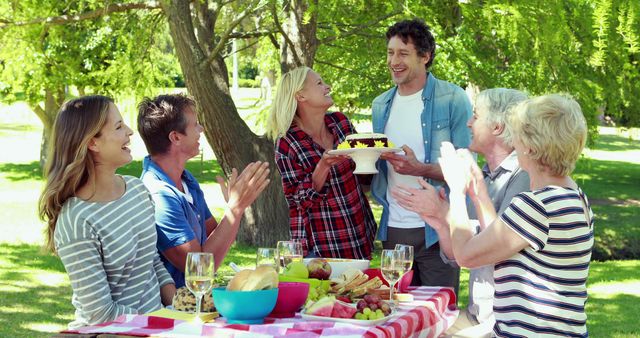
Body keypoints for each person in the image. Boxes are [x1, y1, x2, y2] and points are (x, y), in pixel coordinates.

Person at [438, 94, 594, 337]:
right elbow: (500, 244)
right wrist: (478, 188)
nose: (513, 142)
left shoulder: (535, 205)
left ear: (530, 147)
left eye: (517, 135)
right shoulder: (574, 196)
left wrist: (457, 191)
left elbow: (466, 256)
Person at [392, 88, 530, 337]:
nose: (468, 122)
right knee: (403, 325)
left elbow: (490, 252)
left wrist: (450, 205)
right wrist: (440, 221)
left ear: (497, 126)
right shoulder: (485, 177)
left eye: (476, 116)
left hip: (506, 323)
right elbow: (459, 256)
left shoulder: (524, 179)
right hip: (479, 314)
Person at [38, 96, 175, 329]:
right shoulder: (77, 221)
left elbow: (151, 260)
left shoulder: (136, 190)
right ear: (93, 143)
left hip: (154, 326)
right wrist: (159, 321)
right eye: (119, 126)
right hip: (114, 332)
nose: (130, 132)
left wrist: (182, 308)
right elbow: (100, 314)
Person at [371, 18, 472, 290]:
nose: (394, 61)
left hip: (438, 231)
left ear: (425, 57)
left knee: (439, 317)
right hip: (394, 229)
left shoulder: (452, 99)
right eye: (390, 53)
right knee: (396, 315)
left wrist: (420, 169)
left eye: (403, 53)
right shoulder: (381, 105)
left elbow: (467, 171)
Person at [137, 94, 270, 287]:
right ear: (175, 137)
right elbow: (199, 268)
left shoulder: (186, 180)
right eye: (195, 124)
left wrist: (233, 208)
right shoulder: (160, 195)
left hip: (198, 302)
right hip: (173, 310)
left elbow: (215, 238)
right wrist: (235, 208)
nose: (201, 129)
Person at [267, 66, 377, 259]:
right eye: (319, 83)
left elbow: (361, 174)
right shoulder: (287, 143)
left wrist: (373, 156)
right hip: (319, 246)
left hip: (358, 235)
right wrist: (323, 166)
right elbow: (300, 200)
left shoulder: (341, 123)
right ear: (300, 96)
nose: (327, 87)